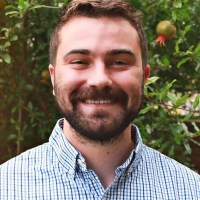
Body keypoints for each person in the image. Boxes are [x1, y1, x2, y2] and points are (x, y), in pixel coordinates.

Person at [0, 0, 199, 199]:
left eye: (119, 62)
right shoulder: (7, 187)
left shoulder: (191, 190)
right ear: (53, 78)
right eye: (79, 62)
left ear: (144, 78)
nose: (100, 80)